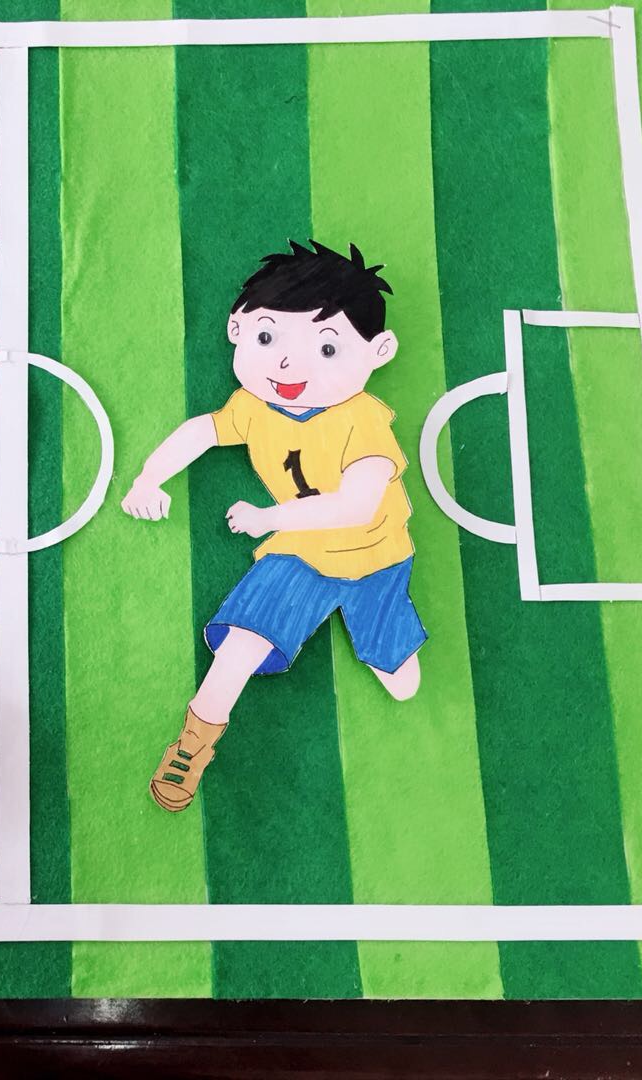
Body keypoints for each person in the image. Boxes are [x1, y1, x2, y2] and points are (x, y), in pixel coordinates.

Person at [121, 241, 427, 813]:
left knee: (402, 682)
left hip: (377, 557)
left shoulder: (363, 421)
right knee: (241, 642)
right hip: (300, 552)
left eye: (328, 348)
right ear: (237, 327)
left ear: (378, 352)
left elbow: (356, 506)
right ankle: (191, 747)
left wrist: (268, 517)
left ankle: (380, 631)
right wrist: (148, 480)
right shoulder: (253, 405)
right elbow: (202, 431)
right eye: (268, 338)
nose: (289, 366)